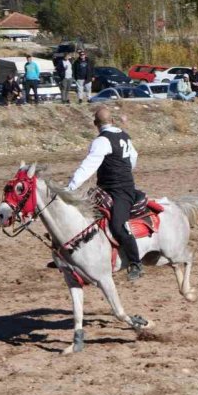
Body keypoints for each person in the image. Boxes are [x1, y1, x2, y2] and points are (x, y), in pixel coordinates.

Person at [66, 107, 144, 282]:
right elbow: (134, 157)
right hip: (111, 188)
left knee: (118, 225)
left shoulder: (102, 141)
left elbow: (88, 167)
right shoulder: (124, 136)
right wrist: (124, 170)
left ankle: (135, 263)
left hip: (120, 193)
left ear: (95, 124)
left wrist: (70, 187)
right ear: (113, 121)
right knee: (82, 216)